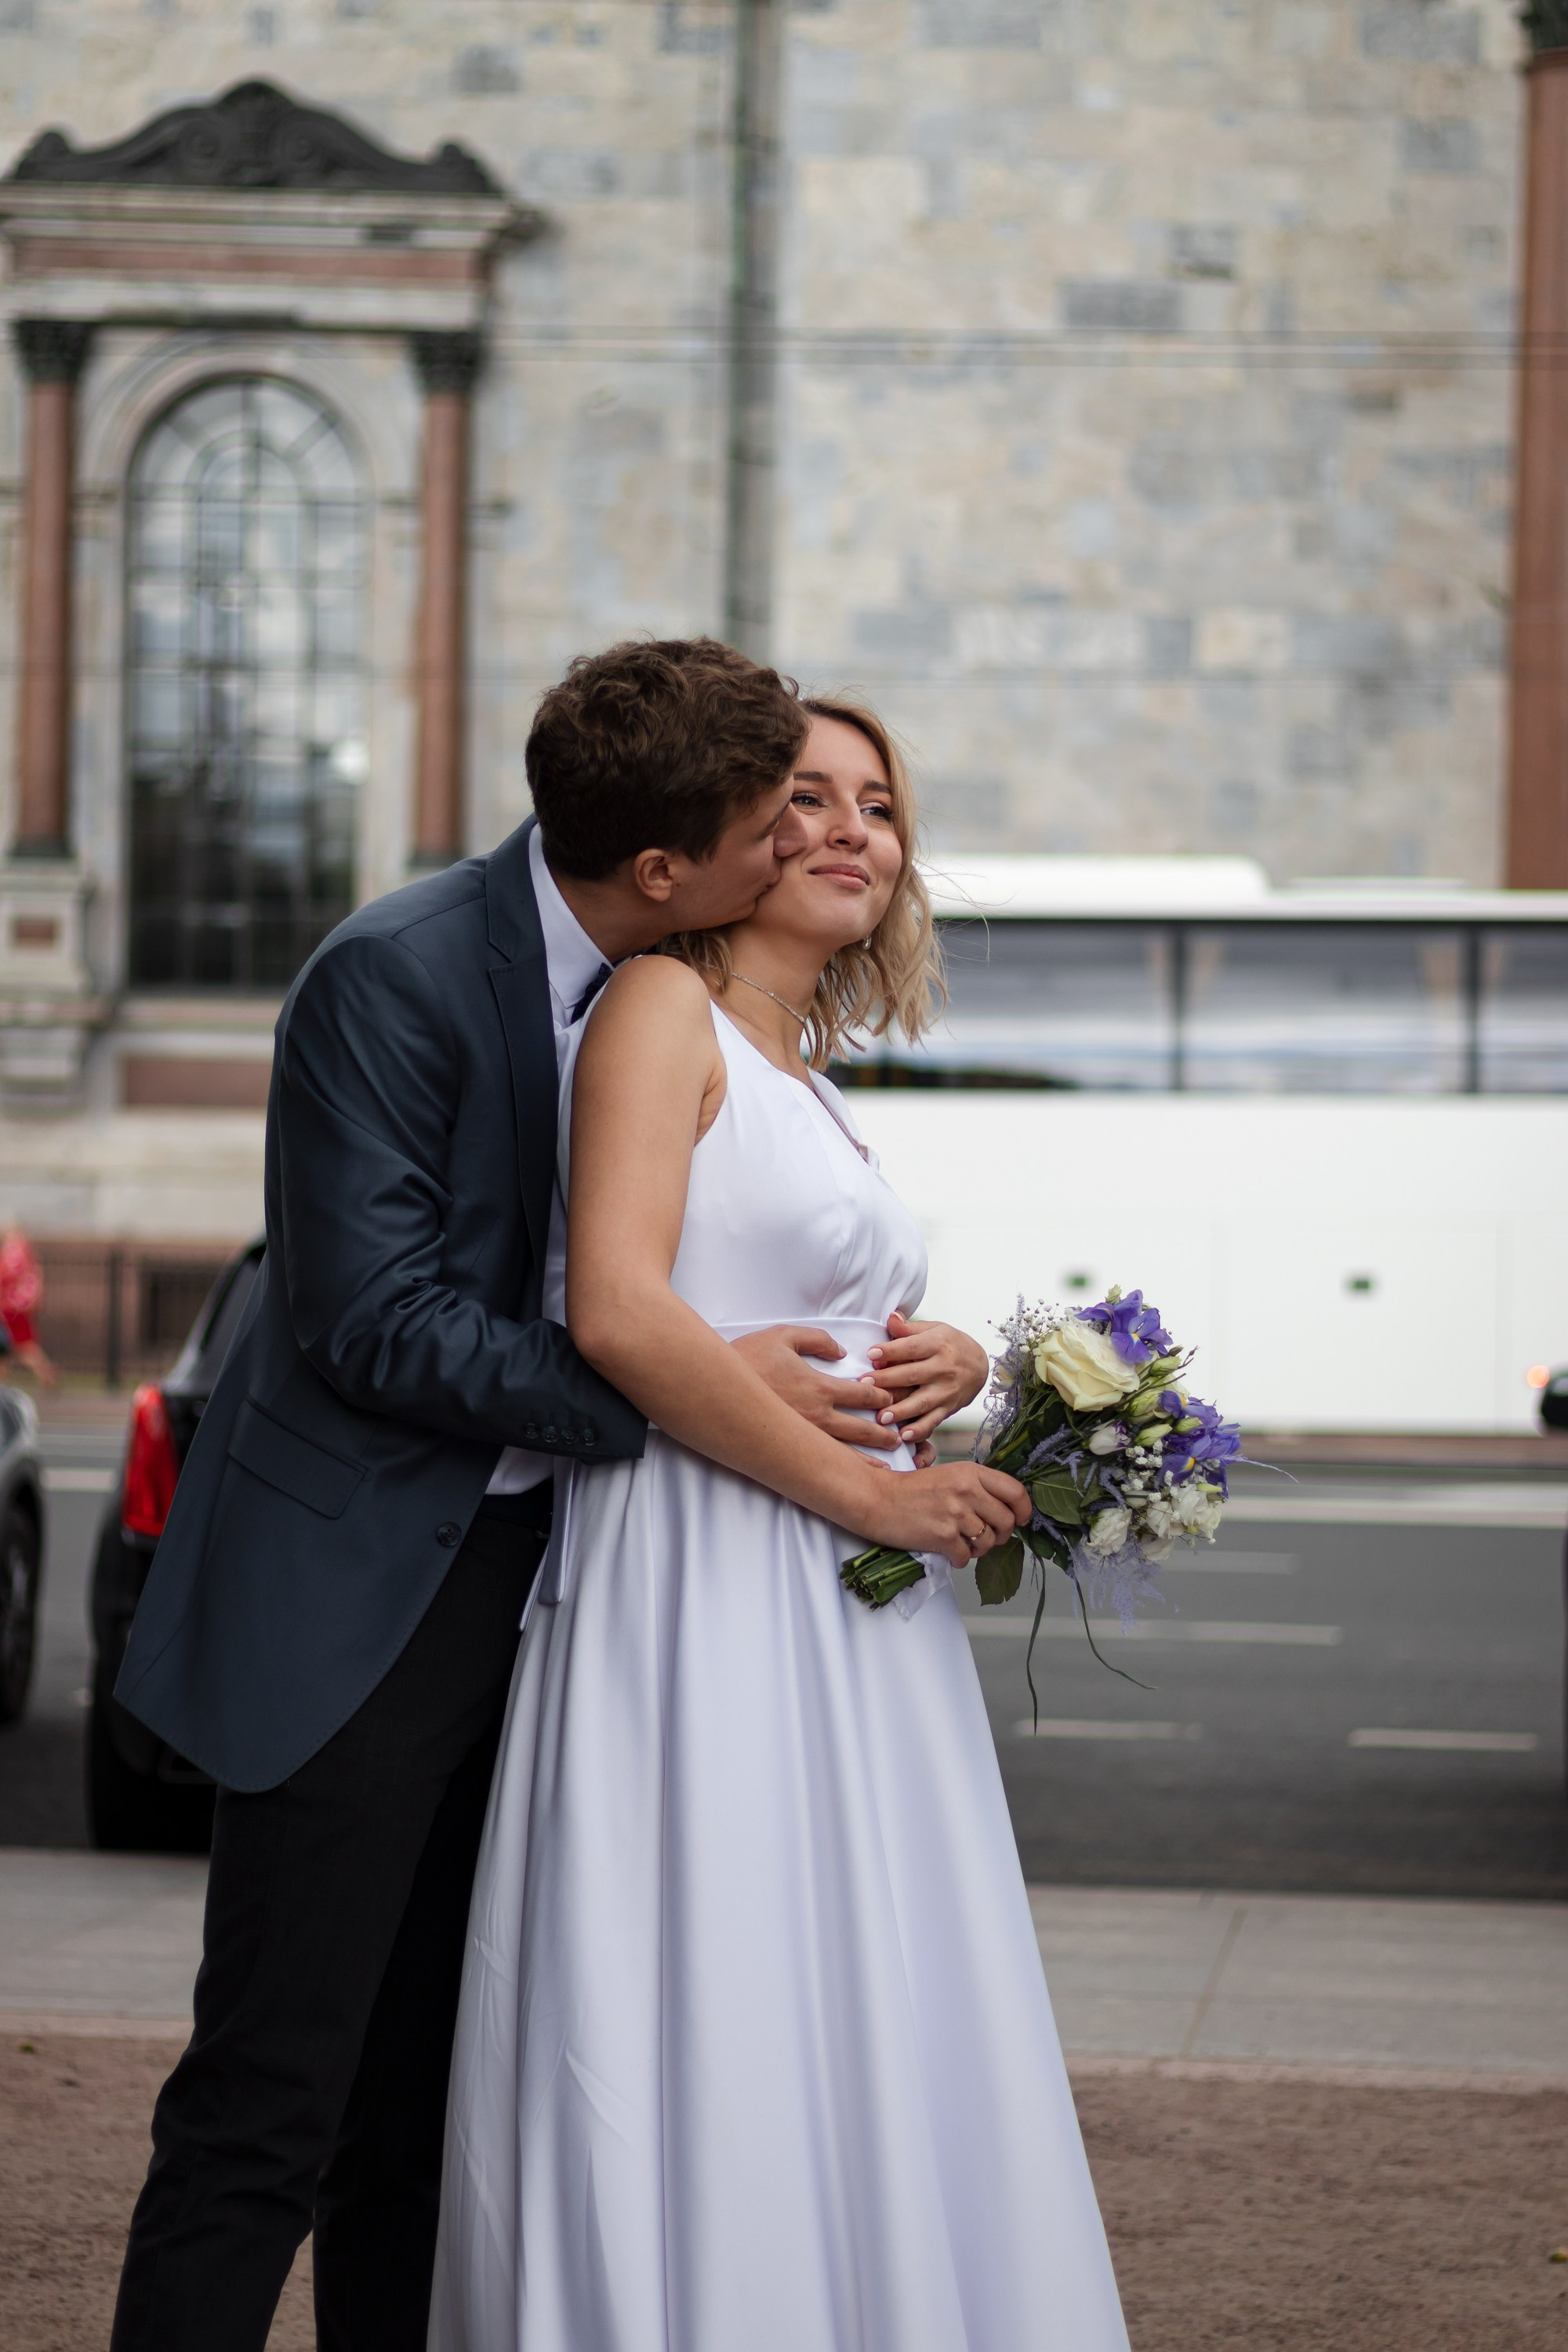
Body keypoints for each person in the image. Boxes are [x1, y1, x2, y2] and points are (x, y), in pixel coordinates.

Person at [107, 639, 1021, 2352]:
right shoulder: (393, 974)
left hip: (574, 1588)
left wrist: (914, 1358)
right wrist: (680, 1382)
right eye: (778, 818)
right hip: (368, 1593)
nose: (813, 839)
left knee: (437, 2113)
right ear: (667, 868)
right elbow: (376, 1323)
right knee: (269, 2101)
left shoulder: (696, 995)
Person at [428, 697, 1131, 2350]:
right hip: (697, 1577)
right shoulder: (658, 1009)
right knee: (714, 1975)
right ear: (730, 837)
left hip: (837, 1607)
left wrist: (939, 1364)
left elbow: (783, 1318)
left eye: (876, 806)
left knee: (854, 1983)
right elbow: (617, 1311)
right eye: (803, 797)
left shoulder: (798, 1071)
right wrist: (880, 1494)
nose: (846, 830)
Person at [0, 1225, 59, 1387]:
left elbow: (5, 1275)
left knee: (25, 1346)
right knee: (14, 1346)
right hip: (18, 1307)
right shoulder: (27, 1254)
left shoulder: (14, 1253)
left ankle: (47, 1374)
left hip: (12, 1308)